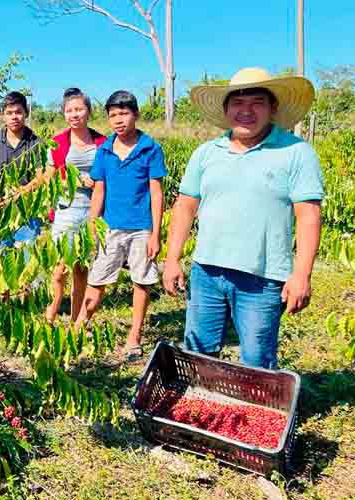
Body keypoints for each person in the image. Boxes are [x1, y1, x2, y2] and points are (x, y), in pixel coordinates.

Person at [163, 67, 323, 369]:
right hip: (206, 271)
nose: (246, 111)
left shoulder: (296, 152)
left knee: (256, 360)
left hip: (262, 277)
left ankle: (255, 399)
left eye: (257, 102)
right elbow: (185, 206)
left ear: (273, 108)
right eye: (237, 102)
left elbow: (308, 215)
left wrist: (302, 274)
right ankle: (206, 398)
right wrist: (172, 259)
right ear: (226, 110)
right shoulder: (206, 153)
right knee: (199, 353)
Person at [75, 91, 167, 362]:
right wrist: (92, 224)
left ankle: (134, 336)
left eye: (124, 113)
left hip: (141, 229)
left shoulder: (150, 148)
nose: (118, 120)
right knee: (97, 279)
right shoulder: (105, 150)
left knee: (141, 281)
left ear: (135, 115)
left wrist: (156, 233)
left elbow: (156, 193)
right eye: (113, 115)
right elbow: (99, 190)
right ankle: (78, 328)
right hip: (111, 227)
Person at [16, 88, 106, 323]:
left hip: (92, 211)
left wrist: (96, 182)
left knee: (81, 269)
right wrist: (23, 191)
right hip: (66, 210)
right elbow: (49, 176)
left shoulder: (102, 143)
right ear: (64, 114)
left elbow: (110, 176)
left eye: (79, 109)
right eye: (69, 110)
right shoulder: (58, 143)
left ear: (88, 111)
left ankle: (77, 321)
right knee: (58, 269)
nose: (74, 114)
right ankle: (50, 315)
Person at [0, 91, 43, 247]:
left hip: (28, 212)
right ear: (2, 115)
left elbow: (40, 177)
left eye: (18, 112)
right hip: (1, 211)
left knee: (26, 256)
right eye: (9, 113)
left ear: (26, 113)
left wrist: (19, 193)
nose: (14, 117)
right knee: (0, 254)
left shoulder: (36, 143)